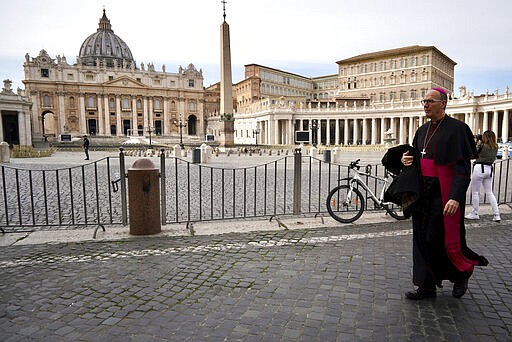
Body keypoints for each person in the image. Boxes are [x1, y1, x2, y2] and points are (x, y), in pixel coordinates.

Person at [401, 88, 488, 300]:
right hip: (424, 193)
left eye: (430, 101)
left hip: (444, 193)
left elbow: (462, 168)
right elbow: (414, 157)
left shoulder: (458, 129)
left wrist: (455, 197)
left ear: (444, 103)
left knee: (442, 239)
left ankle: (461, 274)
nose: (426, 105)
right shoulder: (421, 131)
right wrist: (405, 160)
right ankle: (426, 286)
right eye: (424, 101)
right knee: (421, 239)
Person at [465, 130, 501, 222]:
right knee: (489, 192)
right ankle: (497, 214)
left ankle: (475, 213)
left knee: (475, 192)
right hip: (489, 169)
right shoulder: (495, 146)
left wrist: (477, 141)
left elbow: (474, 153)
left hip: (479, 168)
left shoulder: (482, 145)